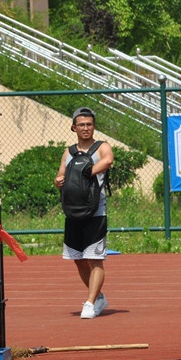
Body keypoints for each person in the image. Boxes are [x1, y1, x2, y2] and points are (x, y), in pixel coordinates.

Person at [54, 107, 114, 319]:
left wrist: (86, 171)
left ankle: (89, 303)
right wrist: (58, 181)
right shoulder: (68, 152)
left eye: (89, 124)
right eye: (81, 125)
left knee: (95, 258)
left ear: (94, 126)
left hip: (95, 212)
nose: (86, 128)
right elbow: (61, 174)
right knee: (78, 259)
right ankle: (98, 297)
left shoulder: (101, 147)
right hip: (73, 212)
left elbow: (108, 160)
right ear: (74, 128)